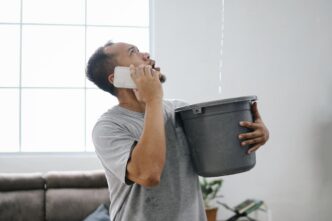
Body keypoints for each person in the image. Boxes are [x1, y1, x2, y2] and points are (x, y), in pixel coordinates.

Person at [86, 41, 270, 221]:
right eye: (134, 52)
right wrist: (153, 100)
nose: (146, 54)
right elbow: (148, 175)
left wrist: (257, 134)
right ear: (117, 77)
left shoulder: (181, 110)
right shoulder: (107, 128)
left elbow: (220, 154)